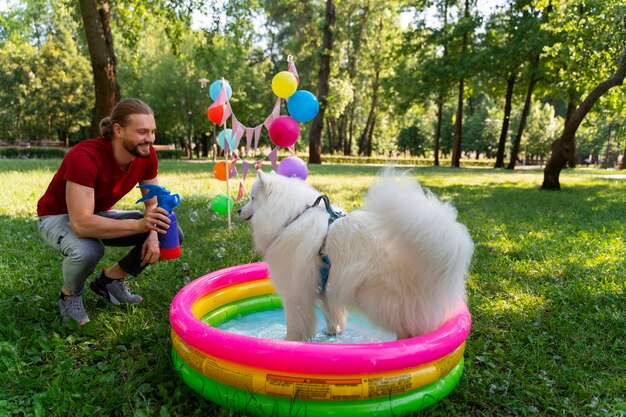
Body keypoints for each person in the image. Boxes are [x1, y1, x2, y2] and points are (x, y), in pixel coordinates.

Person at [37, 98, 183, 326]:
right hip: (57, 217)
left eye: (153, 131)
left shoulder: (146, 154)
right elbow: (81, 224)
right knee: (88, 249)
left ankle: (110, 281)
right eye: (142, 132)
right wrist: (139, 226)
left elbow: (152, 205)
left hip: (95, 214)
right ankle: (69, 295)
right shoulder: (84, 157)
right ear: (118, 130)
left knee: (168, 231)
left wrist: (153, 233)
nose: (150, 139)